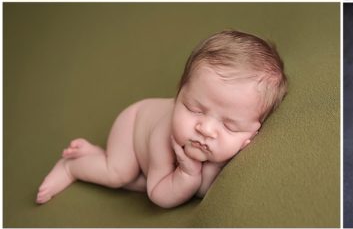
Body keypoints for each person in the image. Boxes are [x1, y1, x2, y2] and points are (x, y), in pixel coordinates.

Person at [36, 30, 287, 207]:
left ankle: (93, 154)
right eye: (195, 109)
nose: (206, 128)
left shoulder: (240, 144)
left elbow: (205, 188)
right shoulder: (164, 136)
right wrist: (187, 174)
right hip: (133, 126)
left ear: (252, 134)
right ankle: (73, 167)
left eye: (230, 126)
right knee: (120, 174)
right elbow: (157, 195)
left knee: (142, 180)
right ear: (179, 95)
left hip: (157, 168)